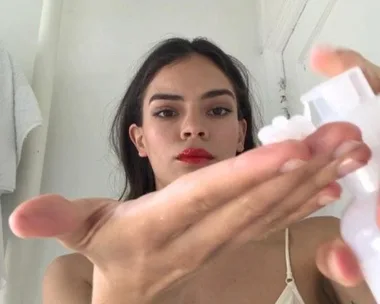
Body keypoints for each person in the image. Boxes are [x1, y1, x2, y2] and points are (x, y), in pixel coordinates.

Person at [8, 37, 380, 304]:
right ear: (139, 140)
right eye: (167, 112)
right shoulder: (75, 276)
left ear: (240, 133)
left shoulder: (324, 243)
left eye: (217, 110)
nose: (192, 128)